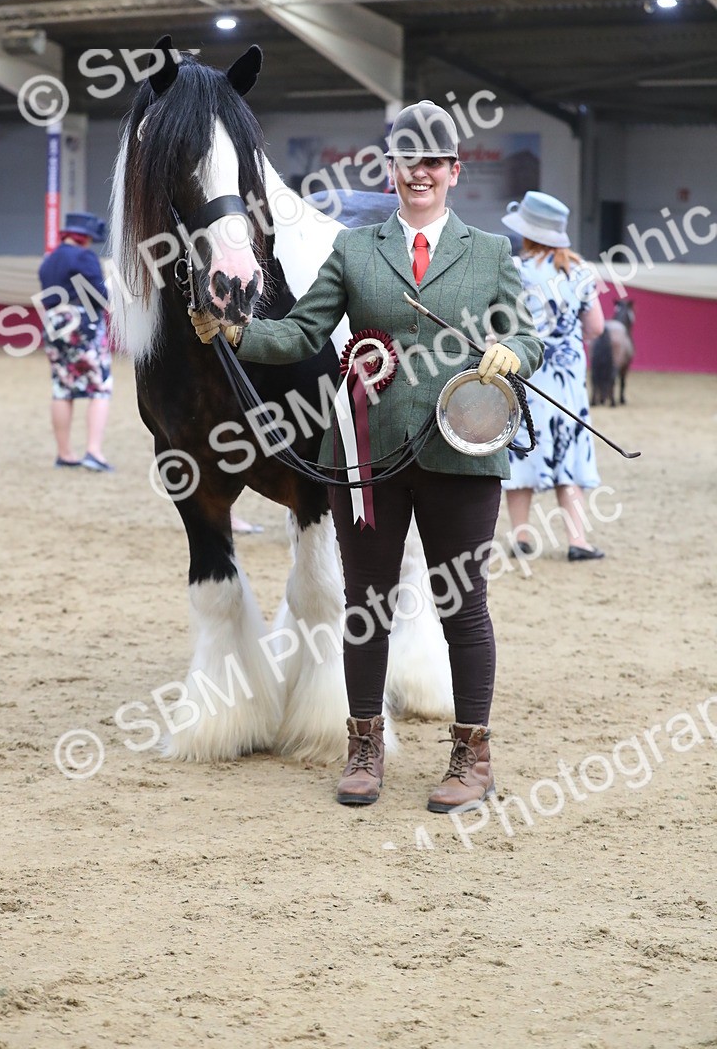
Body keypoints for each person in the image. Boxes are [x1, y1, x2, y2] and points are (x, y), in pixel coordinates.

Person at [191, 101, 543, 811]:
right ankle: (363, 748)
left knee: (463, 606)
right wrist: (236, 334)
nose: (419, 174)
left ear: (453, 171)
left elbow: (529, 339)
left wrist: (514, 353)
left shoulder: (491, 254)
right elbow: (299, 335)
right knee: (365, 608)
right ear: (392, 170)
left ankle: (471, 757)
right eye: (406, 161)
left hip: (461, 453)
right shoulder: (354, 250)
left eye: (432, 163)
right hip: (368, 454)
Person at [501, 191, 605, 560]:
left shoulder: (515, 269)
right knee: (570, 451)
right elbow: (595, 327)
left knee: (523, 446)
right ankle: (577, 540)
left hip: (527, 374)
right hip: (568, 380)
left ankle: (523, 537)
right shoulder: (580, 272)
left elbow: (499, 324)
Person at [38, 212, 114, 472]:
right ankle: (93, 451)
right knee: (100, 387)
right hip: (82, 321)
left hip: (53, 321)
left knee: (62, 388)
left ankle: (65, 453)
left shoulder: (49, 261)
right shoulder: (84, 257)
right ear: (85, 237)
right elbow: (100, 295)